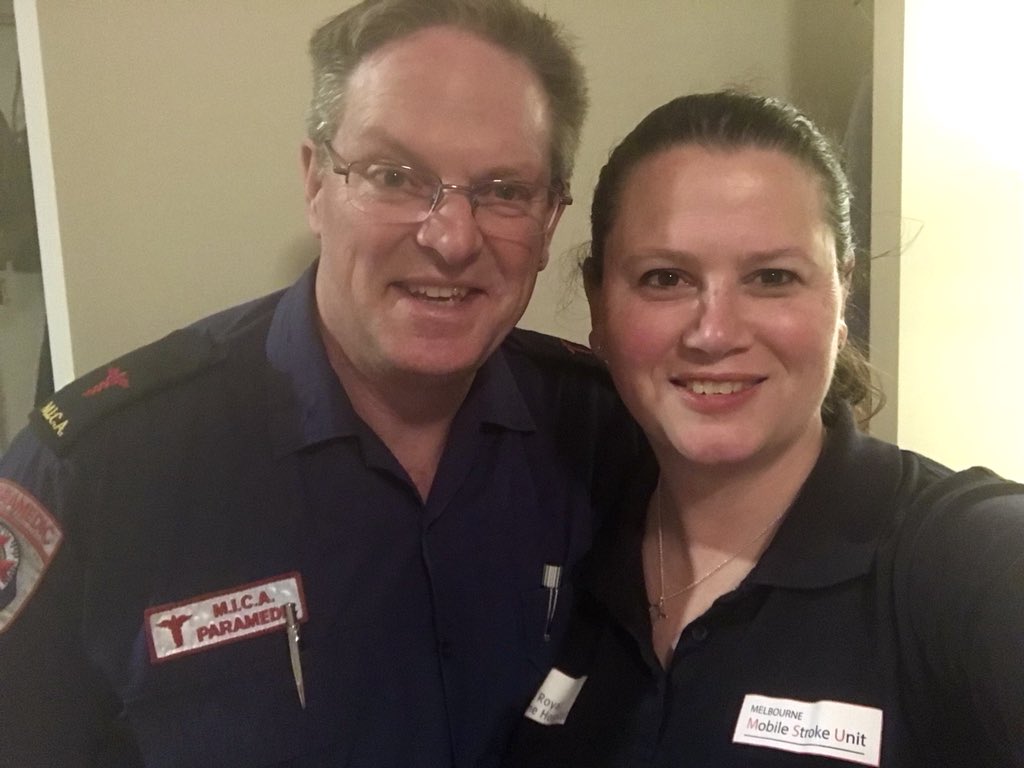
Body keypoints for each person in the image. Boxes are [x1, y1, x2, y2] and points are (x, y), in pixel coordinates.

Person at [0, 2, 642, 766]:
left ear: (551, 217)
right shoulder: (98, 472)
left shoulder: (609, 433)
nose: (450, 237)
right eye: (393, 176)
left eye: (504, 190)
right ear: (315, 183)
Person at [504, 91, 1024, 767]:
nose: (715, 332)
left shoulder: (957, 560)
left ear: (843, 295)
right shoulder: (568, 547)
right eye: (665, 278)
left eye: (772, 277)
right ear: (600, 306)